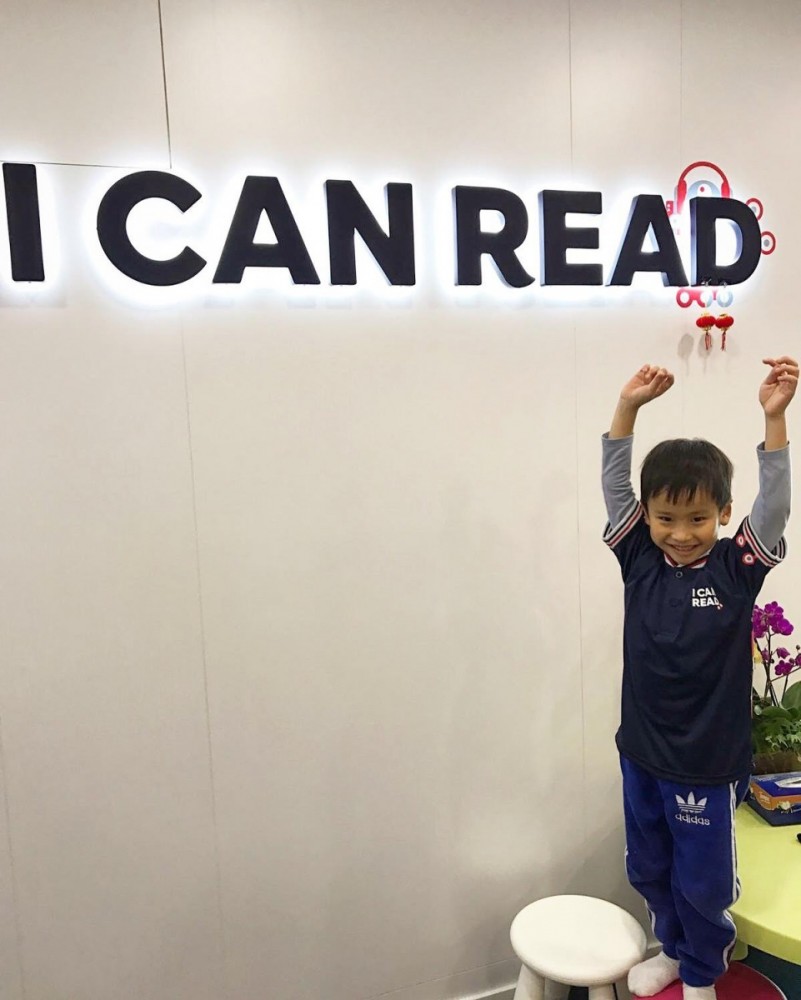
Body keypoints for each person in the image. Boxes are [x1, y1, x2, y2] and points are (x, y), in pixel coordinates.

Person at [602, 357, 798, 1000]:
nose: (681, 534)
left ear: (724, 513)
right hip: (642, 751)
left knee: (703, 879)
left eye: (697, 519)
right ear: (647, 517)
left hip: (707, 762)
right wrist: (627, 409)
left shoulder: (736, 569)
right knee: (649, 864)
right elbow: (615, 486)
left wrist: (774, 421)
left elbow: (775, 508)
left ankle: (702, 972)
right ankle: (672, 948)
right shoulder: (638, 557)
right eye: (666, 518)